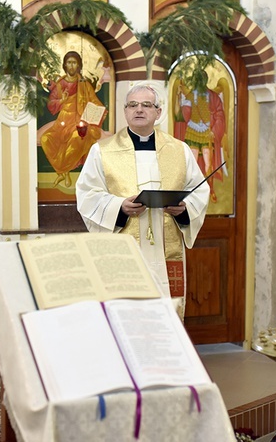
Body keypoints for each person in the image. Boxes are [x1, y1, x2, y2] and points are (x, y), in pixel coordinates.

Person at [76, 84, 209, 319]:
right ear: (125, 111)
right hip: (124, 243)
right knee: (127, 311)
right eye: (133, 105)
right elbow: (87, 193)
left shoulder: (180, 150)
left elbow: (199, 190)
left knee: (165, 309)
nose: (139, 110)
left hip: (166, 243)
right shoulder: (102, 150)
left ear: (158, 112)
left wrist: (183, 210)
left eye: (146, 105)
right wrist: (119, 207)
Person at [40, 51, 106, 188]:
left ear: (79, 65)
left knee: (76, 138)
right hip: (62, 123)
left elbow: (96, 103)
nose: (71, 65)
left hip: (80, 123)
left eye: (74, 62)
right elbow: (51, 105)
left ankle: (63, 171)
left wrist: (92, 116)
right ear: (64, 65)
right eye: (69, 62)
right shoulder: (59, 84)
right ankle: (63, 171)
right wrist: (61, 101)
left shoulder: (84, 84)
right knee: (45, 139)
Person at [175, 74, 226, 202]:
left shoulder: (213, 97)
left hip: (206, 133)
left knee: (208, 163)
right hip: (192, 131)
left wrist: (214, 131)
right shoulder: (192, 95)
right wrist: (179, 101)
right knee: (192, 163)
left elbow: (220, 114)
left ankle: (209, 189)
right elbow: (183, 115)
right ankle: (192, 191)